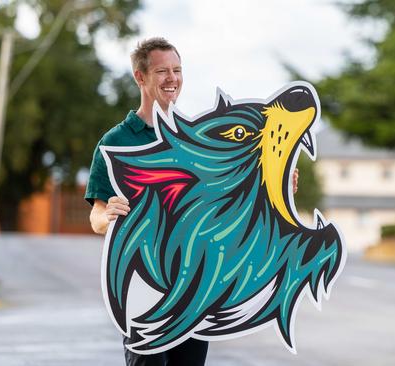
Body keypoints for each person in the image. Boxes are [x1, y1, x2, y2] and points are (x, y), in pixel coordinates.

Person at [85, 37, 300, 366]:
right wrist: (108, 216)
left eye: (177, 70)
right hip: (143, 289)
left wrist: (278, 187)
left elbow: (228, 202)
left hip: (196, 287)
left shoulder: (198, 136)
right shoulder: (116, 142)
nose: (172, 78)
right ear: (140, 77)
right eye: (162, 71)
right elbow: (97, 215)